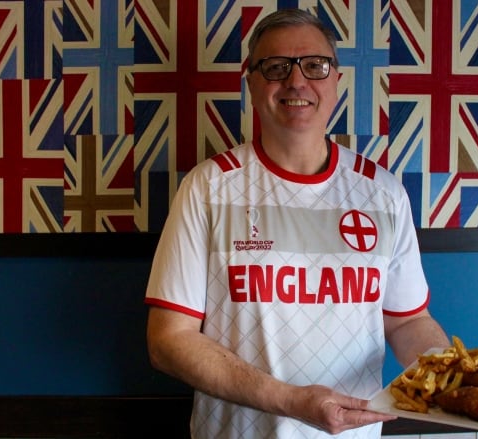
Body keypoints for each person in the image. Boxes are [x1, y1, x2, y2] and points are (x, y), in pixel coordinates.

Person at [145, 8, 449, 438]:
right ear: (250, 82)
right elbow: (168, 341)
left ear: (336, 80)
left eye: (314, 65)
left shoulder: (383, 193)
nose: (296, 81)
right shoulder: (208, 188)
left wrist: (454, 376)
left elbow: (405, 321)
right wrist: (291, 401)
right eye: (275, 67)